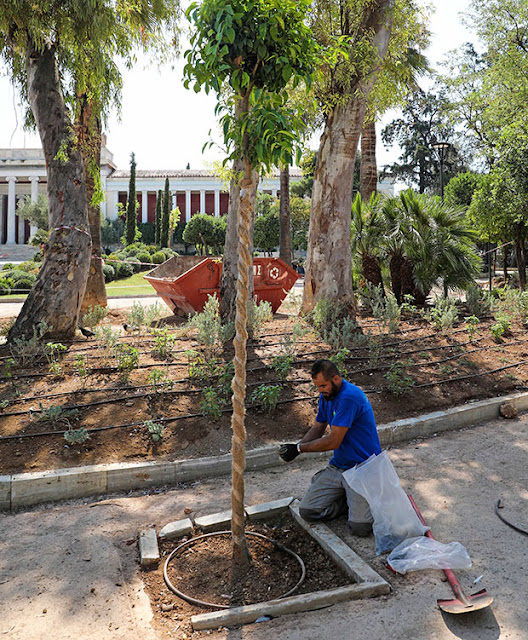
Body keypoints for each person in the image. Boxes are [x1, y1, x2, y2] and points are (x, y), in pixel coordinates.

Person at [279, 358, 381, 536]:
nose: (320, 390)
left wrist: (300, 449)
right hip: (340, 465)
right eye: (317, 386)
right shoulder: (327, 396)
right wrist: (296, 447)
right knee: (308, 511)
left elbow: (334, 441)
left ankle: (364, 498)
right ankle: (345, 500)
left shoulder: (349, 397)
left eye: (323, 386)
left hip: (362, 468)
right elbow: (318, 427)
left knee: (361, 528)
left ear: (336, 379)